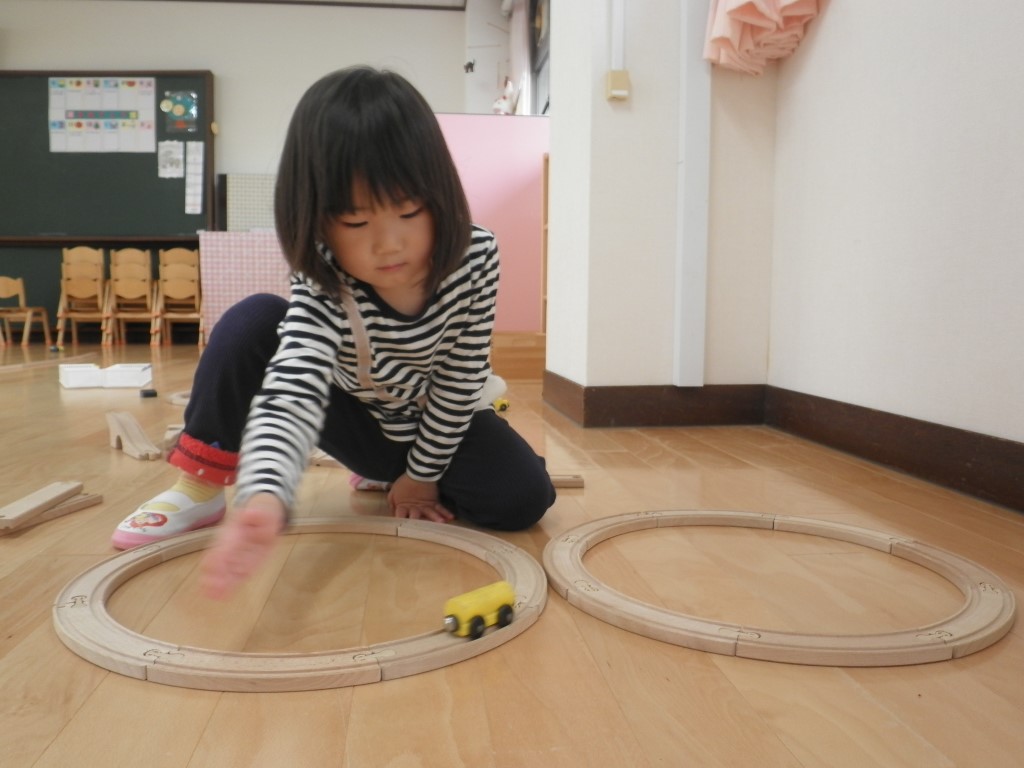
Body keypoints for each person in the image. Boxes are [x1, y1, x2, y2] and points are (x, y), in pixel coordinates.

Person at [111, 66, 556, 598]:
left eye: (409, 211)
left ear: (439, 193)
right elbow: (293, 383)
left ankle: (394, 473)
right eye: (356, 222)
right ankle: (197, 489)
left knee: (524, 499)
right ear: (316, 219)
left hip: (430, 424)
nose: (389, 244)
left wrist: (421, 474)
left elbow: (461, 378)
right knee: (254, 320)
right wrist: (266, 493)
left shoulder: (475, 254)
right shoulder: (325, 269)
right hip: (354, 421)